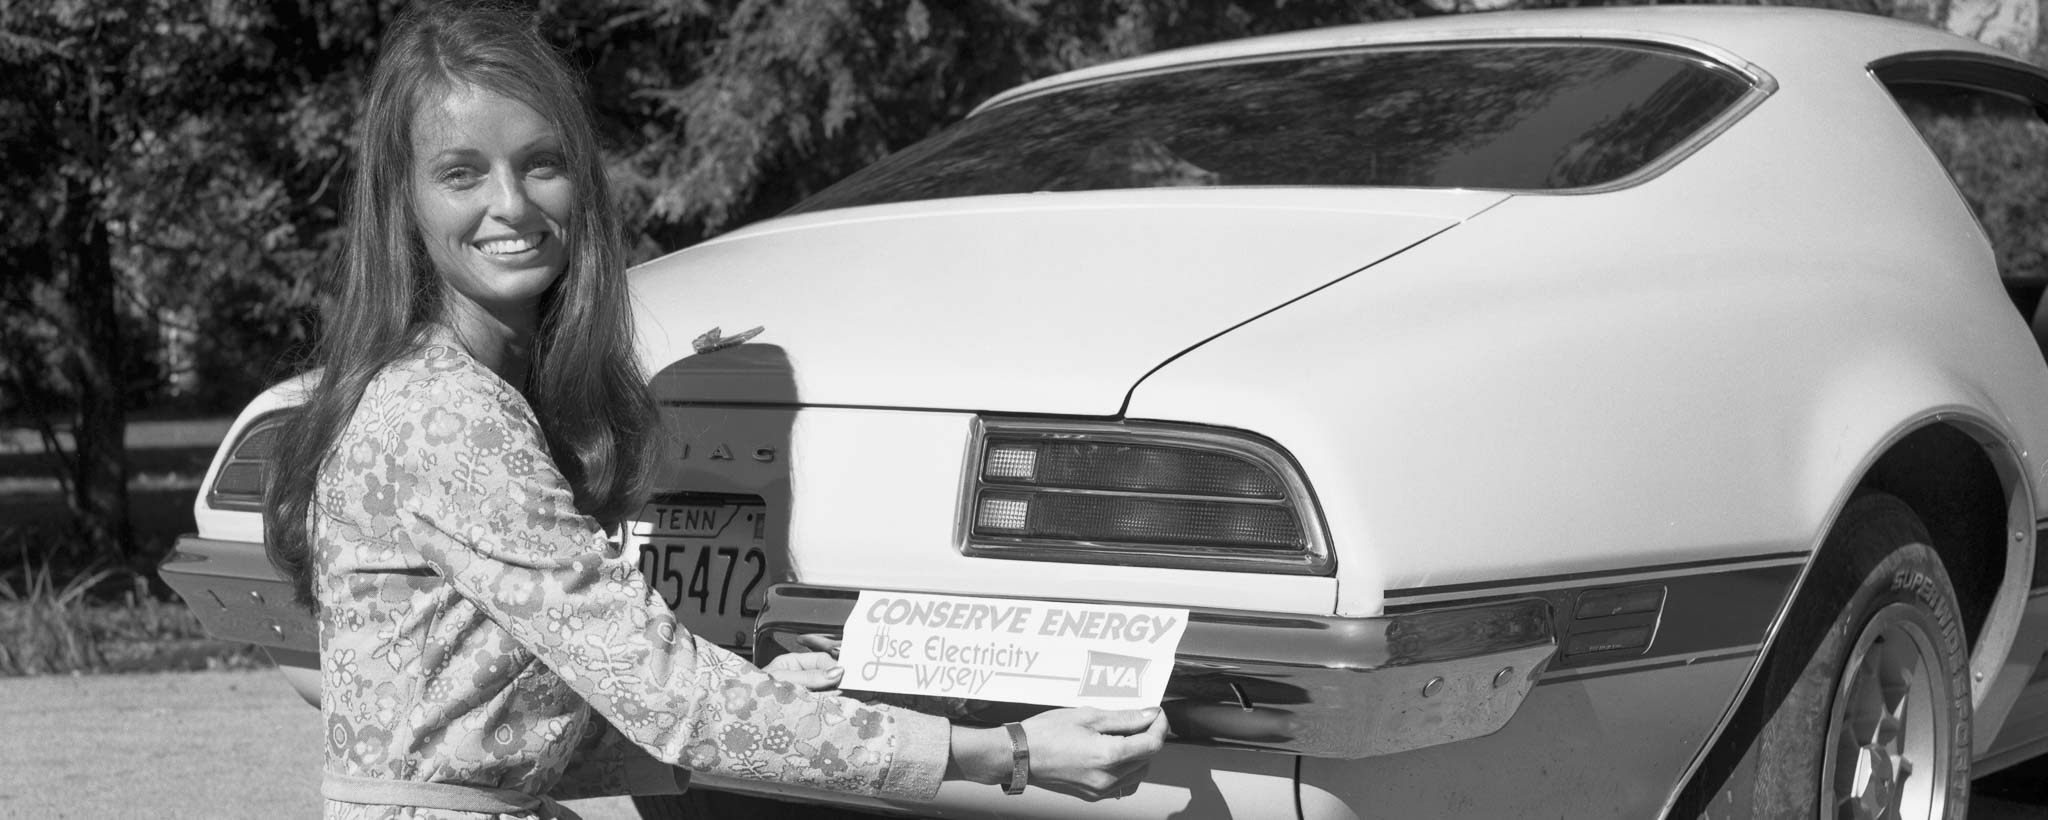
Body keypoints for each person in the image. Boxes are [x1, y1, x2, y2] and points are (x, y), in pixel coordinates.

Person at [262, 3, 1167, 817]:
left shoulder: (455, 388)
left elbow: (492, 740)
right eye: (462, 174)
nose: (512, 205)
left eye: (541, 164)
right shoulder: (447, 418)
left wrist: (764, 695)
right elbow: (669, 697)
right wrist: (1005, 752)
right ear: (404, 202)